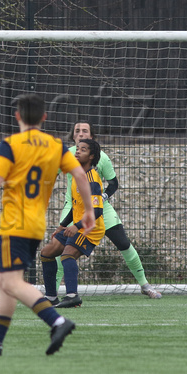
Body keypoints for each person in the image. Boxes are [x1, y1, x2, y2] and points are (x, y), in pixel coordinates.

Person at [0, 94, 95, 357]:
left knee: (12, 283)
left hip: (14, 224)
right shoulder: (56, 145)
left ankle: (58, 321)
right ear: (44, 118)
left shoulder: (12, 144)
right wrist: (89, 212)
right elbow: (80, 175)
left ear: (17, 117)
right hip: (36, 225)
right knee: (6, 282)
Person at [55, 121, 162, 299]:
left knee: (124, 244)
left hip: (100, 208)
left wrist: (103, 197)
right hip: (73, 209)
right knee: (59, 249)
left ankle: (145, 285)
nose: (81, 133)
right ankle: (52, 293)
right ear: (73, 136)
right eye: (77, 131)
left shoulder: (101, 158)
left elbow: (113, 183)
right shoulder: (65, 157)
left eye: (85, 131)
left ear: (91, 136)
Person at [40, 139, 105, 308]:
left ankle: (72, 296)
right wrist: (62, 225)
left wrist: (76, 226)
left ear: (91, 156)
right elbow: (76, 206)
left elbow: (97, 211)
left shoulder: (91, 179)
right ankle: (51, 297)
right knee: (47, 253)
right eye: (77, 149)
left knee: (67, 255)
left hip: (91, 229)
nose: (77, 152)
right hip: (77, 225)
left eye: (83, 150)